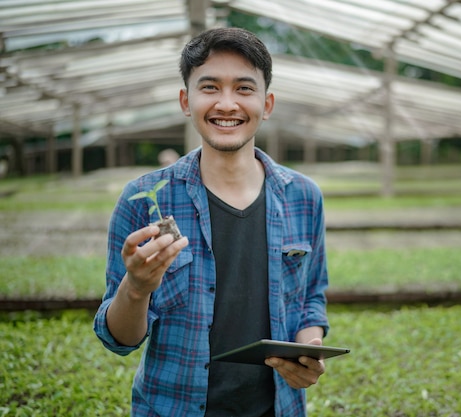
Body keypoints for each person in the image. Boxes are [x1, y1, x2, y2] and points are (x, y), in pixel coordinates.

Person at [93, 27, 330, 417]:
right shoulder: (144, 199)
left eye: (243, 88)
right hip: (171, 407)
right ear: (186, 101)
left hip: (278, 408)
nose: (226, 104)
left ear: (267, 103)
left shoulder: (304, 197)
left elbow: (310, 299)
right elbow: (119, 339)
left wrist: (309, 349)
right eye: (210, 87)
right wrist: (136, 289)